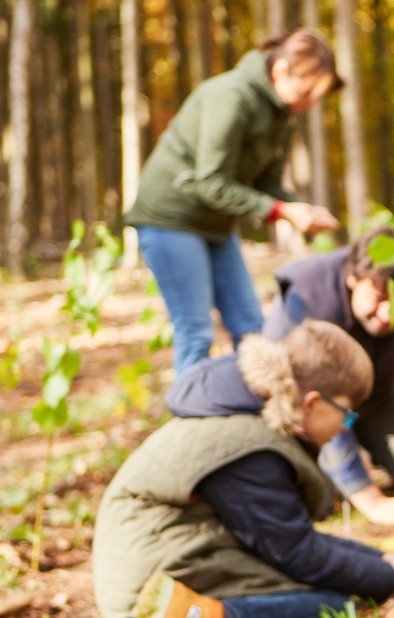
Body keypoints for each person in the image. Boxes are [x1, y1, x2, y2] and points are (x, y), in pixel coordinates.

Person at [93, 321, 394, 618]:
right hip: (148, 584)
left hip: (169, 549)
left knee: (338, 586)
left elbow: (290, 537)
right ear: (313, 401)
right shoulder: (251, 447)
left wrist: (379, 558)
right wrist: (386, 575)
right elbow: (295, 554)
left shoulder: (247, 415)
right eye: (347, 413)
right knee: (335, 604)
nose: (347, 427)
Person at [127, 29, 343, 375]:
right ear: (281, 69)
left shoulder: (282, 115)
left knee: (253, 328)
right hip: (171, 218)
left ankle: (255, 422)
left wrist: (298, 208)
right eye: (306, 92)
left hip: (214, 223)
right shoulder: (231, 97)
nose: (308, 104)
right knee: (196, 332)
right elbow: (210, 181)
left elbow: (267, 183)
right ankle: (194, 424)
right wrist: (280, 211)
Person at [262, 228, 394, 528]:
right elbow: (317, 399)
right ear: (353, 279)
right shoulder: (309, 293)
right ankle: (327, 471)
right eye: (378, 297)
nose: (389, 313)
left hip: (378, 393)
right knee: (313, 500)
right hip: (305, 412)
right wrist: (370, 499)